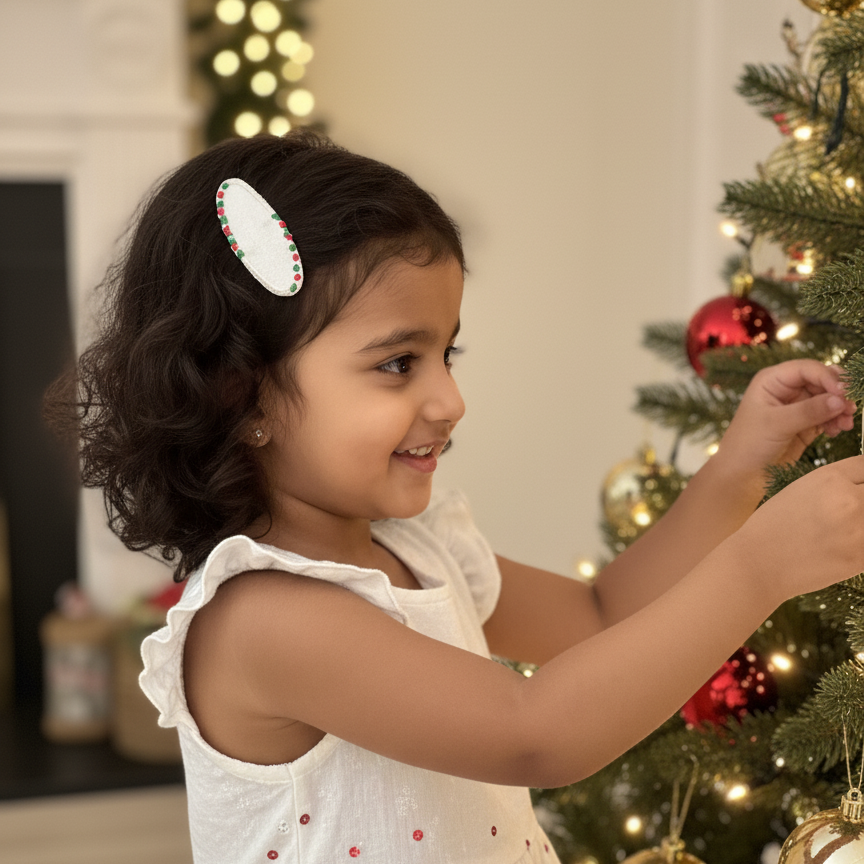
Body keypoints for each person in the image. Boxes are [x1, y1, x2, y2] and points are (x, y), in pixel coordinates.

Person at [49, 129, 864, 864]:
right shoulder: (262, 619)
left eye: (448, 353)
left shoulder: (415, 551)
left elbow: (601, 616)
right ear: (243, 397)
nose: (449, 400)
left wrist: (738, 471)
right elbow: (533, 736)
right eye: (399, 363)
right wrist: (762, 567)